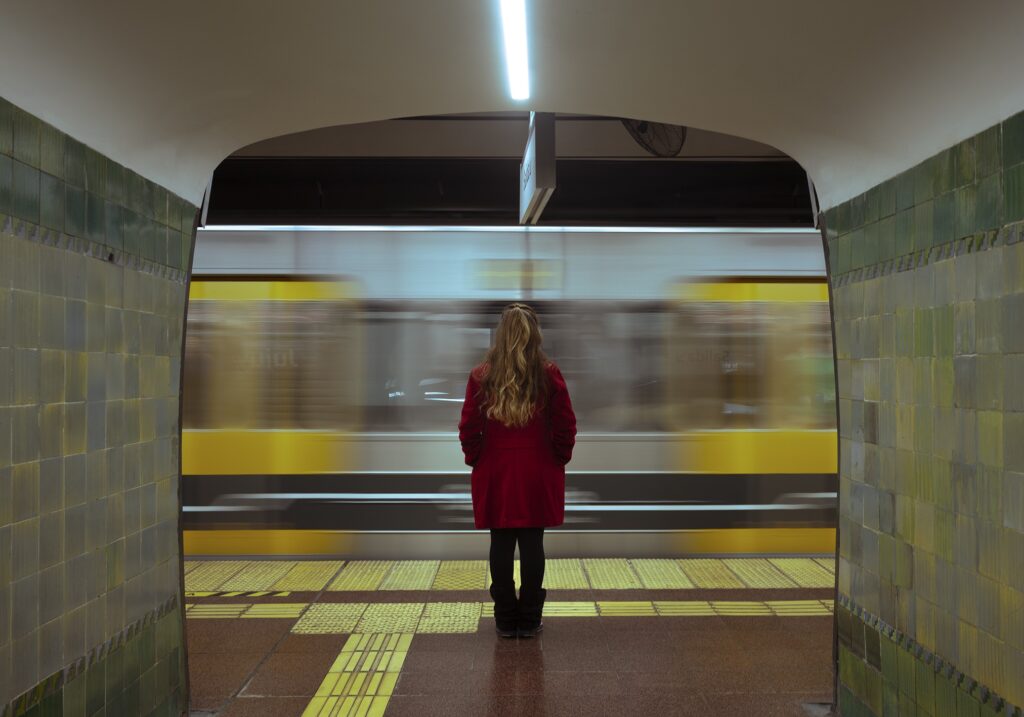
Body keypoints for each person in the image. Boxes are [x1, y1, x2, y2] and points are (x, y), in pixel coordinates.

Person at [458, 303, 577, 638]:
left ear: (500, 336)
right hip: (537, 472)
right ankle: (529, 619)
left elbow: (468, 427)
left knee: (500, 542)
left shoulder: (481, 376)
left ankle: (505, 619)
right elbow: (566, 425)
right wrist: (556, 459)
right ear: (535, 335)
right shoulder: (549, 375)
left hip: (496, 472)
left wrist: (477, 459)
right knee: (532, 543)